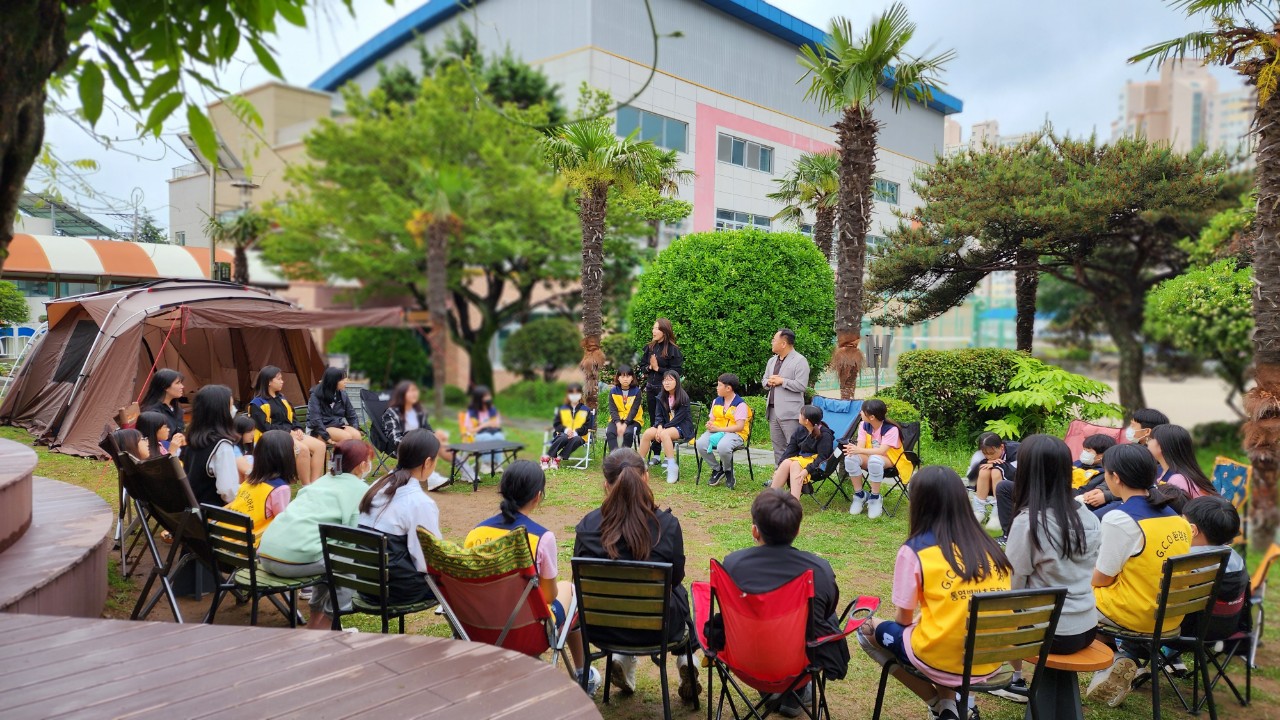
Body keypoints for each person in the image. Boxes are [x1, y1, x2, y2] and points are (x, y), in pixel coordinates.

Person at [857, 466, 1012, 720]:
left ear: (919, 503)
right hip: (990, 659)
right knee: (939, 633)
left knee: (866, 630)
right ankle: (952, 706)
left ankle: (939, 706)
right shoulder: (990, 547)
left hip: (942, 657)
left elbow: (903, 621)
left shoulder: (915, 550)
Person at [573, 448, 699, 703]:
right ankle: (687, 658)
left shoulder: (587, 526)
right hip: (658, 630)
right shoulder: (667, 526)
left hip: (602, 629)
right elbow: (675, 579)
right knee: (677, 589)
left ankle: (622, 658)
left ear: (606, 484)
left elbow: (578, 583)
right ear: (646, 478)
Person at [464, 461, 599, 695]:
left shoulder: (475, 533)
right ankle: (582, 674)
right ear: (537, 497)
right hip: (526, 633)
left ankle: (580, 673)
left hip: (480, 627)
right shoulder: (541, 538)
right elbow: (548, 596)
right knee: (570, 590)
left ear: (502, 490)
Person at [722, 490, 849, 715]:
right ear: (797, 530)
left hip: (744, 658)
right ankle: (793, 694)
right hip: (798, 663)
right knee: (824, 616)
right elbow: (826, 611)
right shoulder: (818, 571)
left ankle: (779, 693)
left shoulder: (732, 565)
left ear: (754, 531)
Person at [1085, 444, 1192, 708]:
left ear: (1115, 477)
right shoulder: (1178, 519)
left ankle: (1113, 660)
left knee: (1070, 596)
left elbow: (1102, 578)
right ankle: (1123, 657)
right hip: (1170, 615)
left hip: (1135, 613)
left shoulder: (1120, 519)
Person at [999, 434, 1102, 702]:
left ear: (1027, 472)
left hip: (1049, 633)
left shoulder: (1029, 522)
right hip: (1087, 627)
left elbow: (1014, 584)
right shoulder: (1088, 516)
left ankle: (1014, 680)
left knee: (988, 610)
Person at [259, 439, 375, 630]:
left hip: (267, 554)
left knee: (329, 558)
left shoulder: (320, 482)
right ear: (363, 465)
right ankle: (325, 629)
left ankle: (314, 625)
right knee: (349, 563)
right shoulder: (360, 490)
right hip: (294, 560)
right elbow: (353, 539)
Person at [1153, 495, 1252, 679]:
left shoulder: (1185, 561)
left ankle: (1128, 657)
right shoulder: (1236, 559)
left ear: (1192, 530)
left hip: (1180, 634)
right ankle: (1171, 659)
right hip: (1224, 631)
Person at [356, 429, 442, 607]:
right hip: (396, 591)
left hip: (366, 586)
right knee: (457, 582)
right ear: (427, 462)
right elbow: (428, 561)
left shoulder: (377, 485)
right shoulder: (419, 502)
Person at [249, 365, 327, 485]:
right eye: (279, 379)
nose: (282, 381)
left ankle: (314, 483)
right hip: (273, 438)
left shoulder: (282, 398)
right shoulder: (257, 404)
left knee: (320, 446)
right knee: (303, 449)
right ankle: (306, 485)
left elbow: (292, 417)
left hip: (291, 433)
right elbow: (265, 427)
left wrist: (297, 428)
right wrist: (288, 432)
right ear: (269, 381)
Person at [381, 380, 462, 488]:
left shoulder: (418, 412)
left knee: (441, 444)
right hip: (403, 447)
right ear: (402, 394)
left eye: (415, 390)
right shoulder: (391, 413)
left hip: (422, 442)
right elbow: (395, 438)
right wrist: (417, 443)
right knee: (428, 445)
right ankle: (433, 478)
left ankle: (467, 471)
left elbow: (428, 429)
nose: (415, 393)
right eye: (411, 391)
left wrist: (436, 435)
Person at [226, 429, 295, 544]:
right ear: (286, 457)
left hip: (227, 538)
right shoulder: (280, 489)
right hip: (251, 545)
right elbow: (283, 523)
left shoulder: (249, 481)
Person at [845, 399, 907, 520]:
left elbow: (882, 451)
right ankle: (860, 495)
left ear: (872, 417)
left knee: (875, 460)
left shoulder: (891, 429)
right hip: (871, 457)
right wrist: (853, 450)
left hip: (890, 459)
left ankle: (875, 497)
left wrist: (859, 450)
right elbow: (860, 447)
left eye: (862, 411)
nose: (860, 413)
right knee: (850, 458)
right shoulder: (863, 425)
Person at [182, 385, 242, 507]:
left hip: (192, 508)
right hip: (213, 512)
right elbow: (228, 492)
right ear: (220, 412)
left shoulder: (193, 439)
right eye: (231, 406)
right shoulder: (222, 445)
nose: (234, 410)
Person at [761, 328, 811, 466]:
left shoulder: (800, 361)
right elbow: (764, 380)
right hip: (772, 411)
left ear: (783, 344)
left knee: (793, 446)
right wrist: (768, 382)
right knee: (778, 447)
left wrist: (782, 381)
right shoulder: (772, 361)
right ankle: (779, 475)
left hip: (790, 412)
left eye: (774, 340)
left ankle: (795, 475)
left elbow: (801, 385)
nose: (772, 342)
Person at [637, 370, 693, 484]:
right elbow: (658, 416)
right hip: (665, 426)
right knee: (648, 433)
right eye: (665, 380)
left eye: (670, 380)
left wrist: (663, 429)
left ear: (677, 382)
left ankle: (672, 466)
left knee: (665, 434)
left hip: (681, 426)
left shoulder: (683, 397)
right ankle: (639, 465)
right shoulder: (661, 396)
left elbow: (679, 418)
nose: (666, 383)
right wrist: (659, 427)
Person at [771, 405, 835, 500]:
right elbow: (790, 450)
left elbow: (822, 458)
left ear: (807, 421)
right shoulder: (800, 430)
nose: (799, 415)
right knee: (786, 463)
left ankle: (794, 503)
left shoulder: (825, 435)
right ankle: (770, 498)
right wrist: (779, 468)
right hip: (803, 460)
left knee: (795, 464)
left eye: (801, 414)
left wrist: (807, 470)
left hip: (818, 467)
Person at [697, 373, 749, 489]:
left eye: (719, 385)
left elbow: (740, 427)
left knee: (723, 446)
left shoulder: (740, 404)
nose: (717, 388)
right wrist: (710, 424)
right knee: (700, 443)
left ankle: (728, 471)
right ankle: (717, 469)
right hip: (717, 431)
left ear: (728, 388)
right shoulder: (716, 401)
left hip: (735, 433)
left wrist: (719, 429)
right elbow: (712, 419)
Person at [967, 432, 1020, 535]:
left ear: (1001, 447)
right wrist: (985, 463)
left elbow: (1019, 471)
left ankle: (997, 514)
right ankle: (979, 511)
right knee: (984, 471)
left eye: (992, 453)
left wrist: (997, 465)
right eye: (985, 454)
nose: (989, 456)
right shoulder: (980, 455)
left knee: (996, 471)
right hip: (988, 486)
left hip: (1012, 486)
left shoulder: (1017, 451)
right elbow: (971, 478)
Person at [639, 318, 684, 439]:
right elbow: (642, 367)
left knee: (666, 420)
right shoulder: (650, 347)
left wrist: (658, 368)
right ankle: (656, 449)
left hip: (665, 390)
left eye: (657, 329)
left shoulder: (673, 349)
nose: (653, 331)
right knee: (654, 420)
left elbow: (676, 373)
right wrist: (650, 367)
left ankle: (668, 446)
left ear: (664, 331)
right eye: (653, 328)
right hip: (651, 388)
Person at [1149, 424, 1217, 500]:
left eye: (1150, 439)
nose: (1147, 443)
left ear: (1161, 446)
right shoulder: (1164, 471)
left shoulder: (1177, 480)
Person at [544, 382, 594, 469]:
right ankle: (547, 458)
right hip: (562, 434)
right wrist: (566, 430)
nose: (574, 395)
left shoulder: (586, 410)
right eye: (572, 393)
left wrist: (575, 432)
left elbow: (587, 426)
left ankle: (557, 459)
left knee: (576, 439)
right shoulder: (563, 409)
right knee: (563, 437)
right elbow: (557, 424)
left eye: (576, 393)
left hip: (580, 436)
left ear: (580, 395)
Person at [307, 367, 362, 443]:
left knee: (356, 435)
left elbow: (352, 415)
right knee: (346, 437)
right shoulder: (316, 395)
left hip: (337, 425)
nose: (346, 381)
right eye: (342, 379)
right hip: (319, 429)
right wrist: (327, 437)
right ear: (333, 381)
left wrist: (355, 428)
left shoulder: (342, 394)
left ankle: (352, 451)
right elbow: (315, 420)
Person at [139, 368, 186, 444]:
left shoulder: (175, 406)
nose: (182, 386)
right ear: (165, 387)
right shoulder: (153, 412)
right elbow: (156, 442)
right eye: (177, 383)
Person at [605, 365, 643, 452]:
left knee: (628, 433)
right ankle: (614, 455)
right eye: (622, 376)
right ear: (618, 378)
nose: (625, 379)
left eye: (628, 376)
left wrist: (625, 424)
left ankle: (623, 455)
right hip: (616, 420)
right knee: (610, 432)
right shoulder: (613, 391)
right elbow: (613, 410)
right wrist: (618, 424)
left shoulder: (637, 391)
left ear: (632, 378)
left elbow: (634, 410)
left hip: (633, 420)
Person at [1073, 434, 1117, 509]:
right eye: (1084, 449)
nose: (1084, 453)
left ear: (1102, 455)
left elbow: (1083, 491)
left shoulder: (1102, 472)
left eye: (1088, 451)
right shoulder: (1078, 463)